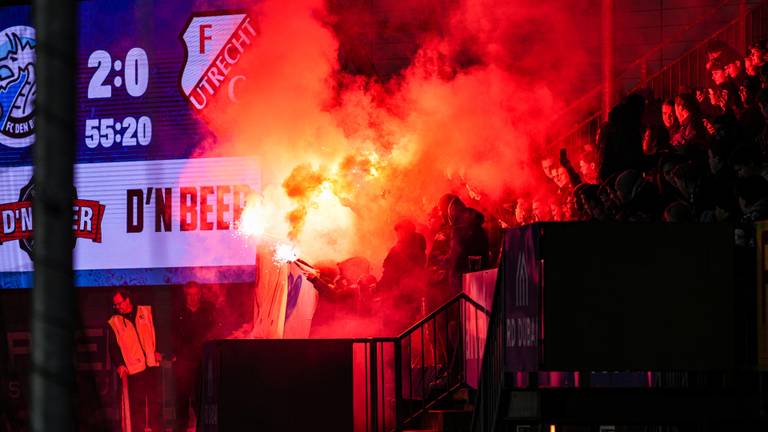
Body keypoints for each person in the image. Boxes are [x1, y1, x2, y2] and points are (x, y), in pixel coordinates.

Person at [108, 288, 163, 432]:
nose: (118, 307)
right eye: (115, 305)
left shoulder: (146, 311)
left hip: (152, 365)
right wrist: (120, 364)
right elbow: (113, 348)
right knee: (136, 408)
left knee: (156, 404)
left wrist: (160, 351)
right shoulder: (114, 322)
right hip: (134, 370)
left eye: (119, 303)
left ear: (128, 300)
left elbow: (160, 332)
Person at [171, 281, 216, 432]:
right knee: (181, 400)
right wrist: (174, 354)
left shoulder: (208, 311)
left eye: (196, 294)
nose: (193, 298)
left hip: (203, 362)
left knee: (203, 399)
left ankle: (205, 428)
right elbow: (171, 336)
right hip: (183, 363)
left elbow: (215, 332)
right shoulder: (178, 313)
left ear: (200, 294)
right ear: (185, 295)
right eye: (190, 295)